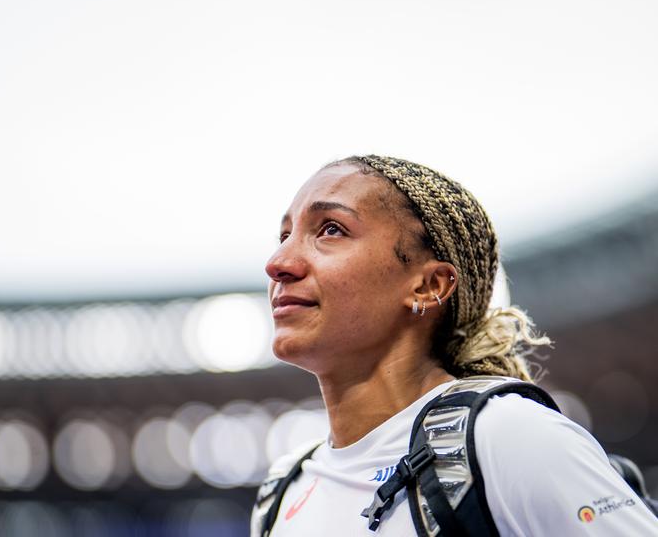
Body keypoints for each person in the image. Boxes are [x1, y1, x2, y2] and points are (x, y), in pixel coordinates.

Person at [253, 155, 657, 536]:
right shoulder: (282, 490)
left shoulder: (508, 437)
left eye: (331, 229)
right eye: (285, 235)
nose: (278, 262)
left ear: (429, 286)